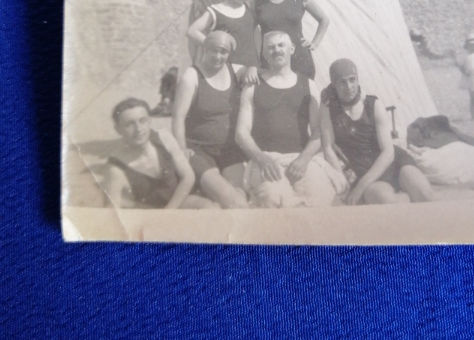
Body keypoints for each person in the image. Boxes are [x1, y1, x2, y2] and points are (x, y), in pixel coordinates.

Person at [235, 31, 347, 207]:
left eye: (281, 45)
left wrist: (304, 159)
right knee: (272, 197)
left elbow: (319, 129)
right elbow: (241, 133)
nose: (277, 50)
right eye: (271, 47)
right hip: (267, 160)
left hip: (301, 159)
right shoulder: (253, 86)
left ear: (292, 49)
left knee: (320, 195)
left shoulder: (308, 84)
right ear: (264, 54)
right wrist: (262, 159)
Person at [319, 58, 433, 204]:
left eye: (352, 80)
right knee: (388, 202)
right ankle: (410, 200)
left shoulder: (373, 105)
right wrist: (344, 183)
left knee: (428, 197)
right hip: (366, 172)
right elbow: (328, 147)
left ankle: (470, 195)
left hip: (393, 161)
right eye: (342, 82)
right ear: (334, 85)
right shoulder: (328, 108)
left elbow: (388, 151)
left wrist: (360, 187)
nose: (349, 86)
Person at [172, 30, 249, 208]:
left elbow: (257, 71)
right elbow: (177, 117)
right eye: (213, 50)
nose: (218, 56)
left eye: (223, 52)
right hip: (198, 150)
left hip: (229, 152)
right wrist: (181, 148)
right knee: (234, 202)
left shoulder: (236, 70)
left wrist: (251, 68)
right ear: (205, 50)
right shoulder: (192, 76)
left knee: (244, 196)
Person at [105, 97, 210, 209]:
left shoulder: (163, 138)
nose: (138, 129)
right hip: (148, 214)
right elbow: (112, 209)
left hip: (177, 202)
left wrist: (168, 211)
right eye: (129, 124)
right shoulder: (116, 168)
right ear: (118, 129)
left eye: (142, 120)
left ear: (149, 121)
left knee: (210, 208)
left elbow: (188, 177)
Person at [253, 0, 329, 79]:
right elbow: (248, 30)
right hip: (271, 59)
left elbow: (324, 19)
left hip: (299, 59)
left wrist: (314, 43)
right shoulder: (257, 1)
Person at [187, 0, 261, 85]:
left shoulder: (249, 9)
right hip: (225, 69)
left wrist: (253, 66)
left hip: (248, 72)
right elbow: (192, 31)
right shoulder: (217, 9)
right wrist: (213, 45)